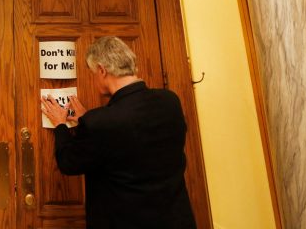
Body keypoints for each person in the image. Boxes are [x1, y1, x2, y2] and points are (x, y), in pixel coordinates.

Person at [40, 36, 196, 229]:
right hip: (176, 221)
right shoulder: (170, 101)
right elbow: (132, 138)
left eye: (92, 73)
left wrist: (61, 126)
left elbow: (68, 163)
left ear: (102, 70)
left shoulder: (101, 122)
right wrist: (89, 120)